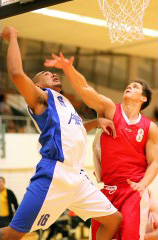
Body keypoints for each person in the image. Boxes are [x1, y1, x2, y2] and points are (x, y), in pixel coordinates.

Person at [0, 26, 122, 240]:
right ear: (37, 85)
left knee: (114, 219)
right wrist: (12, 38)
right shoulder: (42, 99)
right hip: (54, 175)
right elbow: (17, 74)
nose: (54, 74)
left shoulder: (65, 103)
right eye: (47, 74)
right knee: (12, 235)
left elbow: (75, 130)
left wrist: (96, 121)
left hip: (78, 176)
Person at [44, 52, 158, 240]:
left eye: (135, 87)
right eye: (128, 85)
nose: (129, 87)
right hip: (108, 189)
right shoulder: (110, 109)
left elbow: (154, 162)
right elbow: (84, 88)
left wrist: (143, 184)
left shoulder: (150, 127)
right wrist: (67, 68)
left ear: (143, 98)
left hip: (133, 191)